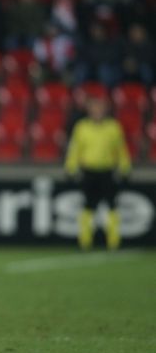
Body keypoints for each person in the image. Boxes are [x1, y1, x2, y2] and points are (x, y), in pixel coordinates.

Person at [64, 95, 131, 250]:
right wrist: (71, 168)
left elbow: (121, 150)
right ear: (89, 110)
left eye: (100, 108)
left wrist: (125, 168)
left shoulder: (113, 127)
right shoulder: (82, 127)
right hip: (89, 172)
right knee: (88, 206)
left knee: (112, 206)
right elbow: (75, 150)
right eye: (94, 108)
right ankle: (85, 241)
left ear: (105, 110)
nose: (97, 111)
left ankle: (114, 242)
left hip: (107, 171)